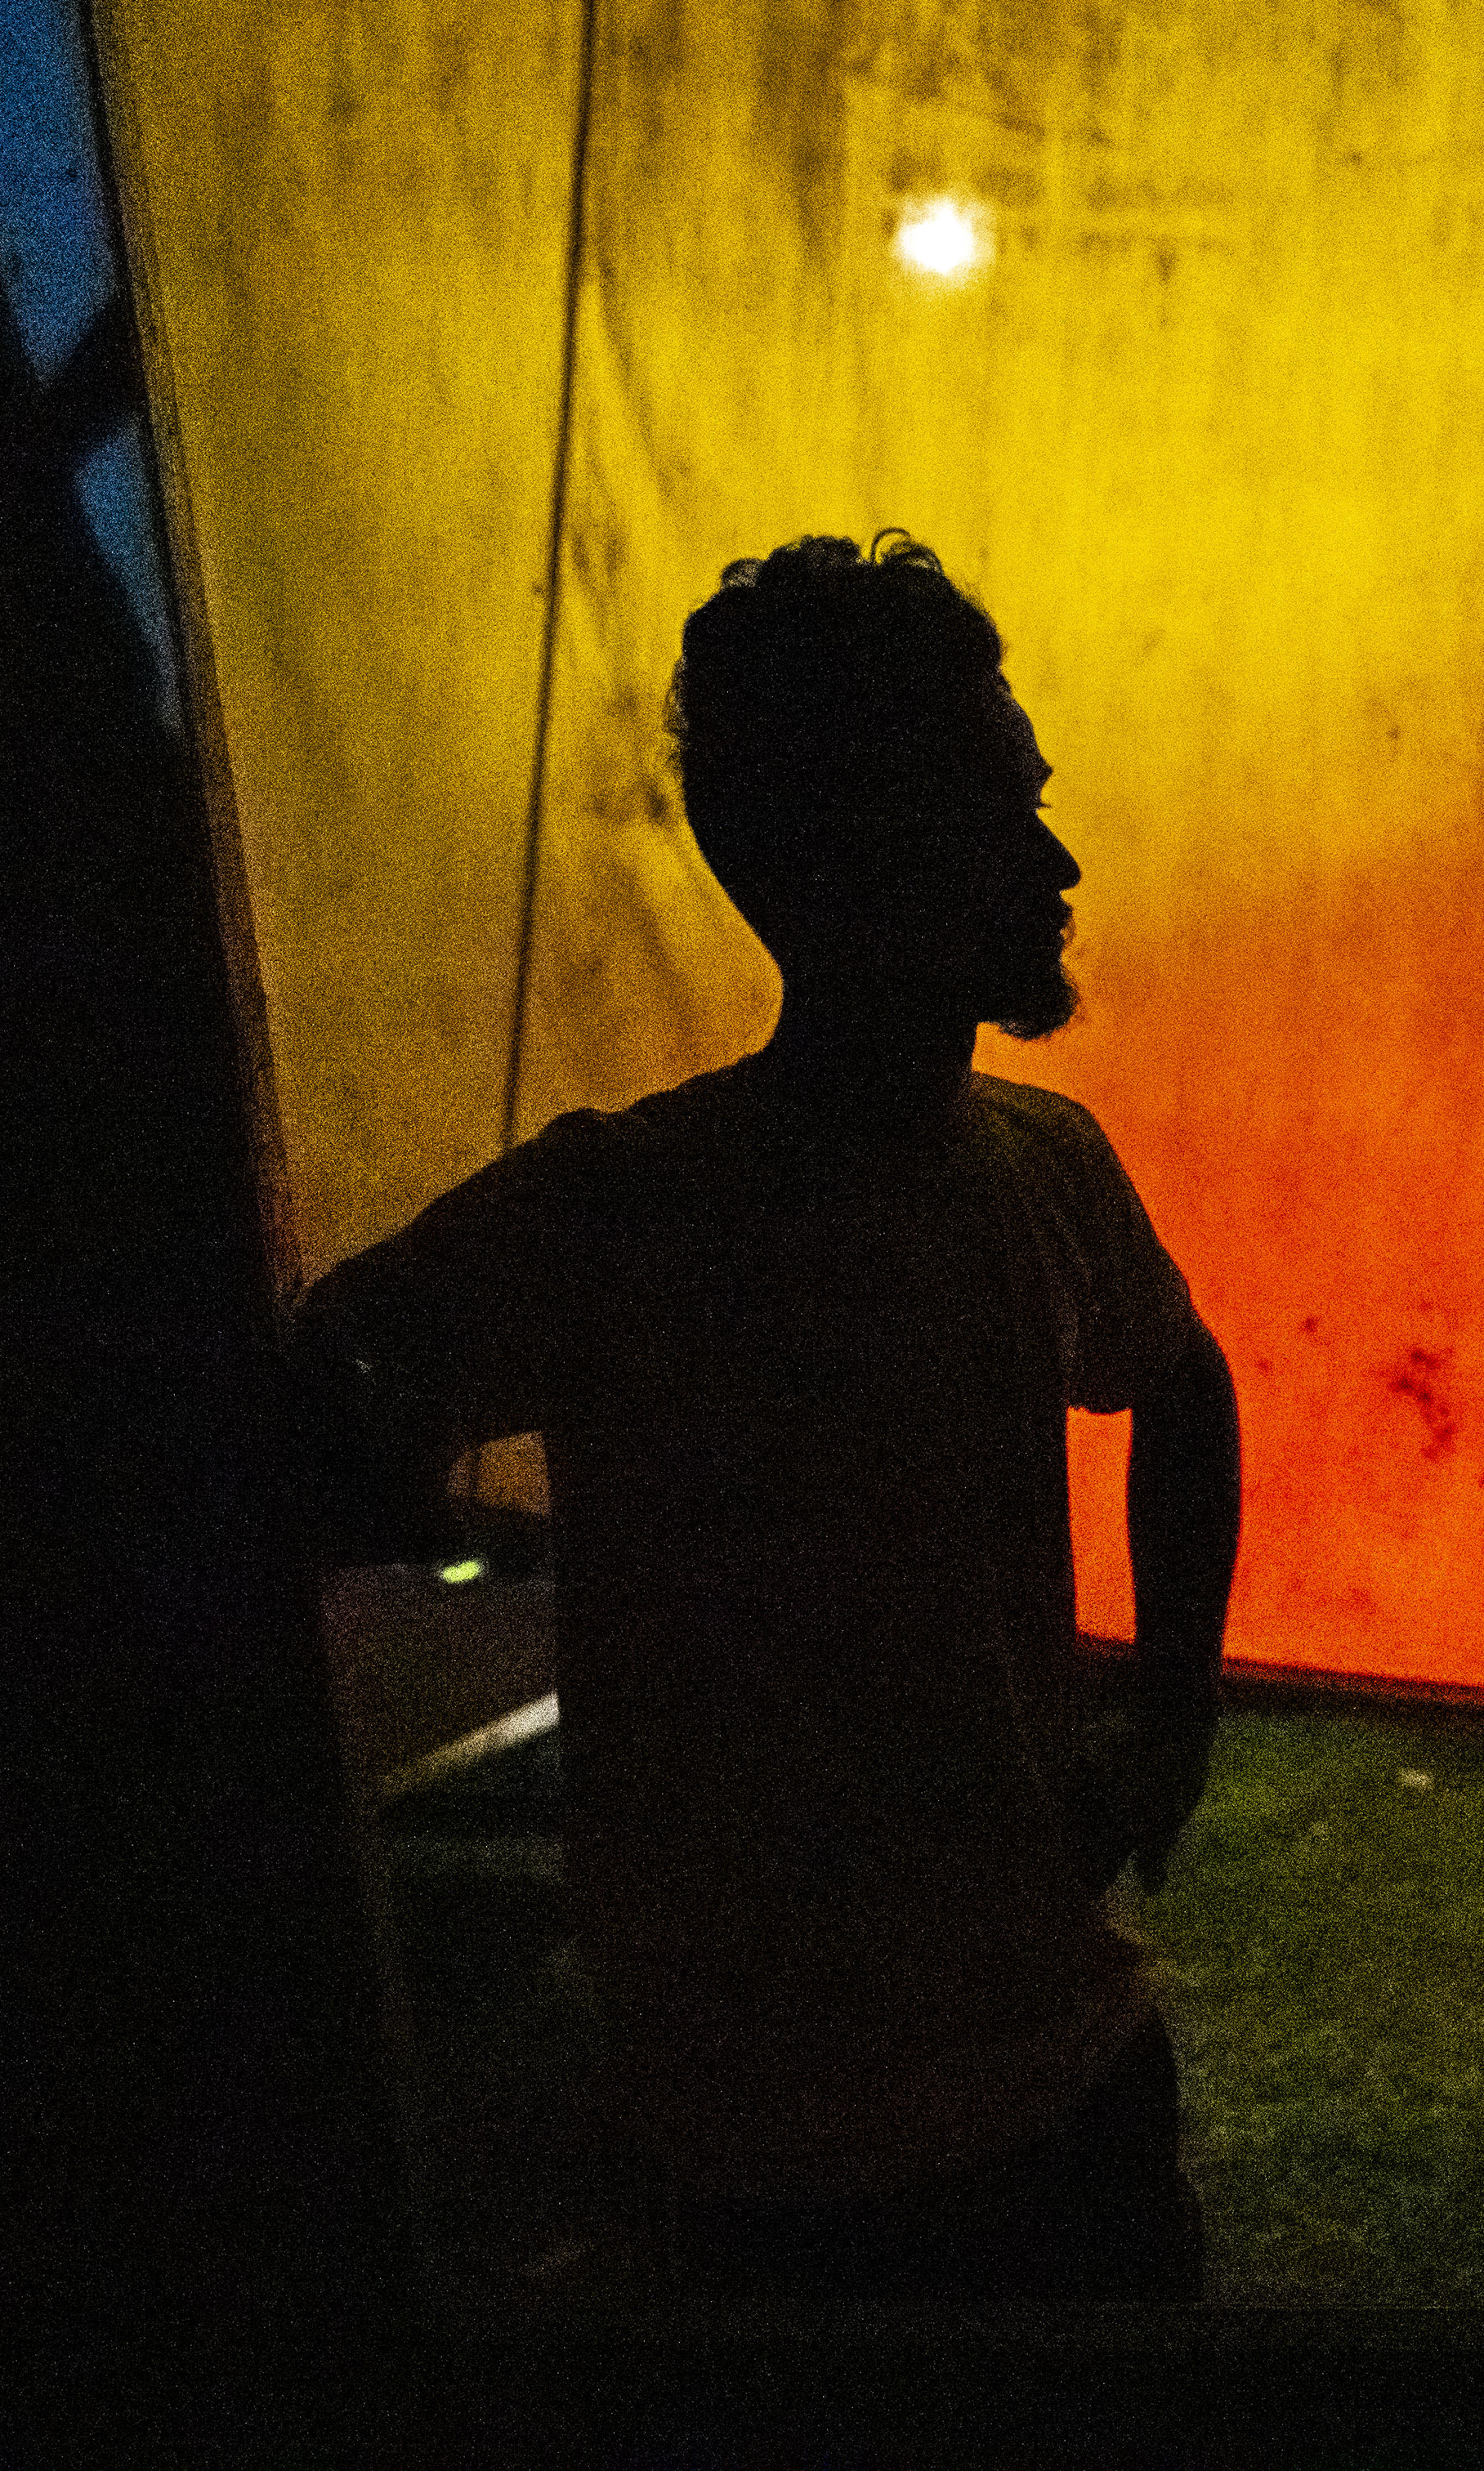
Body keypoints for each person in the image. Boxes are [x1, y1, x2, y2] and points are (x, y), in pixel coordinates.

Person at [297, 533, 1242, 2301]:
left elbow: (1184, 1386)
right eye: (997, 809)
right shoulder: (624, 1214)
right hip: (777, 2169)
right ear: (847, 862)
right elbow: (326, 1390)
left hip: (1028, 2089)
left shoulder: (1036, 1167)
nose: (1056, 859)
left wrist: (1175, 1704)